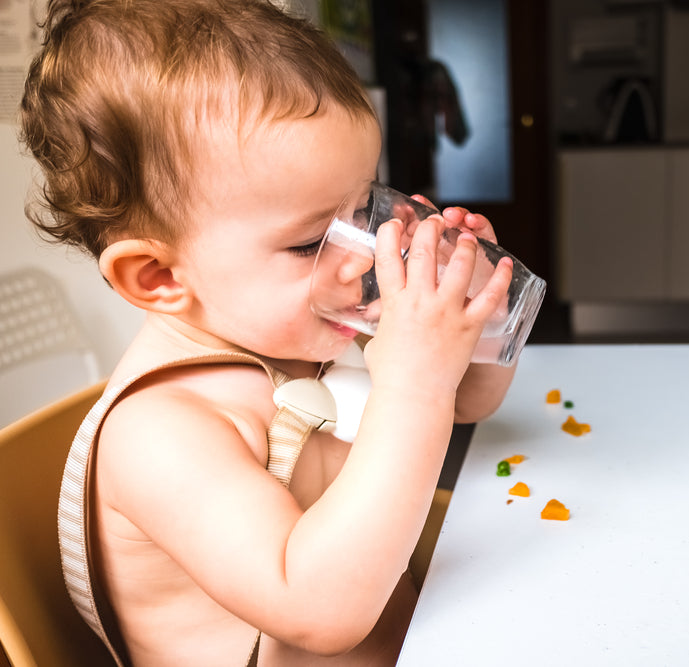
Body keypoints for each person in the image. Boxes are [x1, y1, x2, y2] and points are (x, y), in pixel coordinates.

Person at [20, 0, 516, 665]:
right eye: (314, 238)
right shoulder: (162, 432)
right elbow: (319, 609)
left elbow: (468, 401)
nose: (365, 250)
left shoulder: (289, 331)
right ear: (158, 275)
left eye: (364, 205)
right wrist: (416, 382)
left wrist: (472, 315)